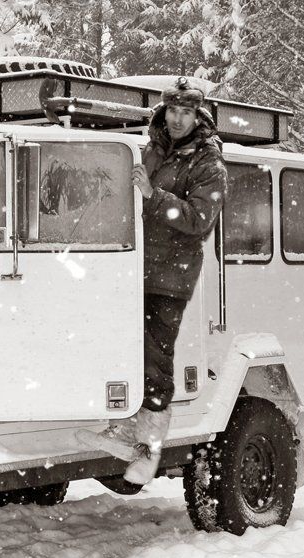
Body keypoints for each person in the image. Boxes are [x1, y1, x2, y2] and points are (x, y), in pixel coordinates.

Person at [78, 76, 227, 485]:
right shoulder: (152, 150)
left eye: (186, 112)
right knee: (124, 347)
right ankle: (124, 428)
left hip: (170, 277)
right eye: (173, 111)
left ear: (197, 117)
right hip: (132, 269)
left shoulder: (208, 163)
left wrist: (153, 195)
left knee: (155, 358)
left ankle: (149, 448)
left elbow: (199, 219)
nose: (178, 119)